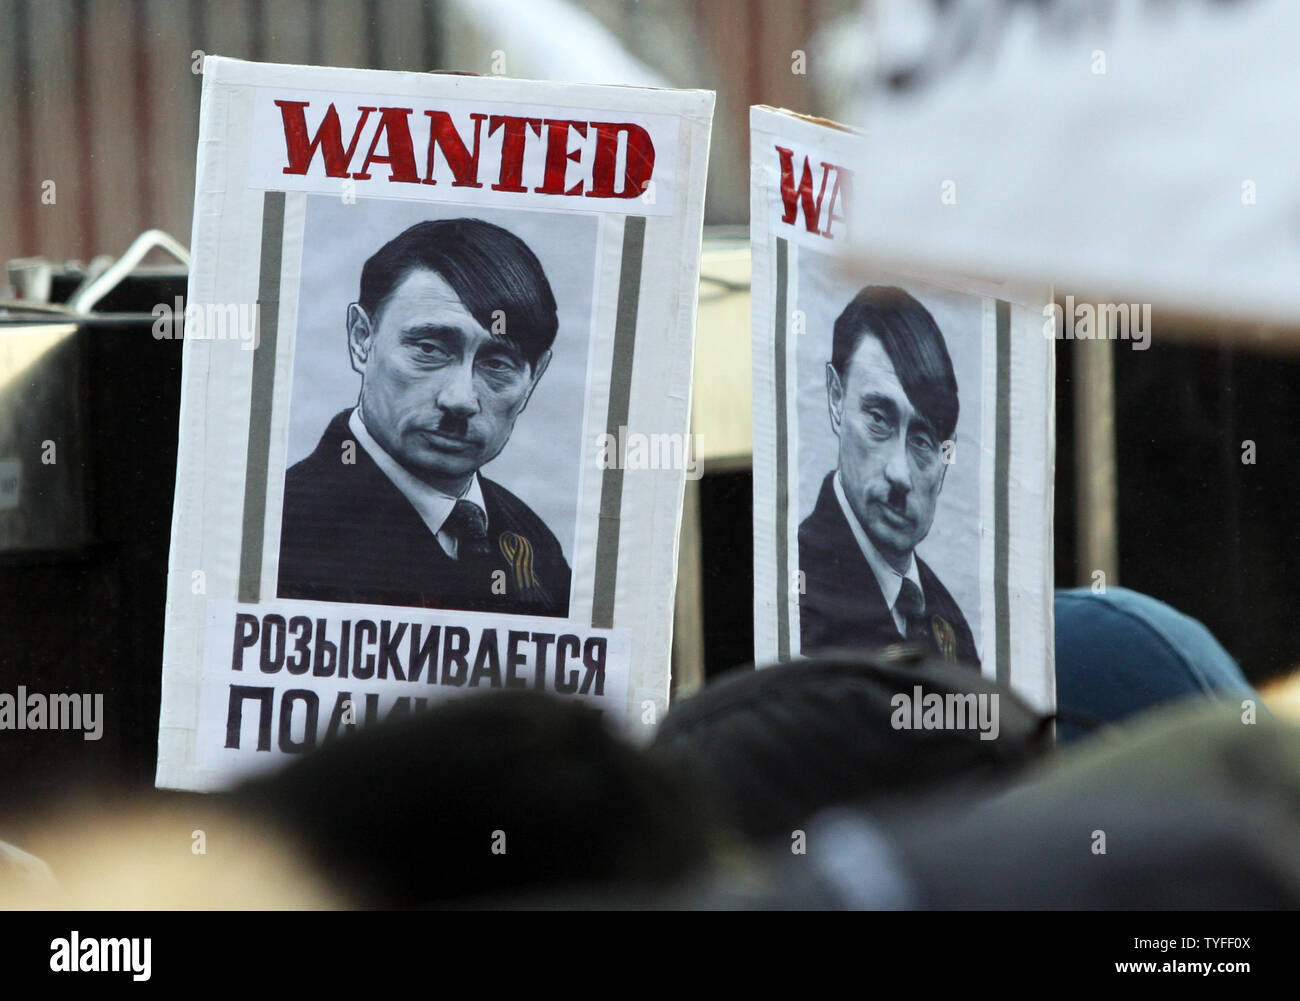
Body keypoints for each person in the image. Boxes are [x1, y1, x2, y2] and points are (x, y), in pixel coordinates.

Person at [278, 218, 571, 616]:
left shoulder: (534, 546)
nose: (461, 399)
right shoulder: (283, 531)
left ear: (533, 378)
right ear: (362, 338)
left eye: (498, 363)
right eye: (430, 349)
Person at [799, 285, 977, 664]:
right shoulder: (788, 590)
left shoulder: (952, 626)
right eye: (879, 420)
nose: (900, 474)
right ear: (835, 397)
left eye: (924, 440)